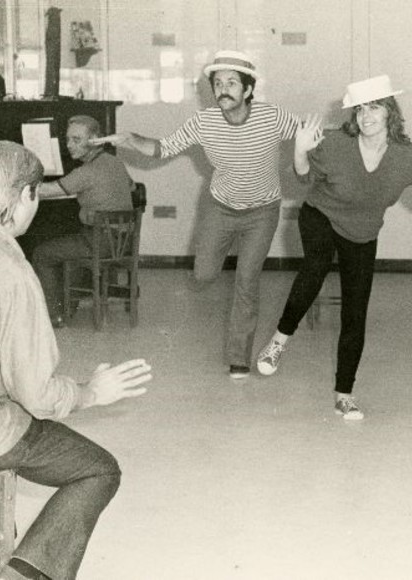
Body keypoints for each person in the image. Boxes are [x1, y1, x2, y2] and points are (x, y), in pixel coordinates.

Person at [0, 141, 153, 580]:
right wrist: (90, 392)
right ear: (24, 197)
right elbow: (37, 395)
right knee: (97, 469)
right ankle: (20, 575)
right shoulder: (10, 269)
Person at [254, 75, 412, 420]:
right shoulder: (336, 143)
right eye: (359, 110)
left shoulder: (406, 155)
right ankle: (278, 342)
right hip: (320, 215)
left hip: (363, 231)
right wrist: (299, 150)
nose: (366, 117)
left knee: (355, 312)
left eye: (374, 108)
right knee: (316, 265)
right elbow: (304, 179)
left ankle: (344, 394)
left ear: (389, 113)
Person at [93, 50, 301, 380]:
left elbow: (307, 134)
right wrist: (130, 139)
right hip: (219, 207)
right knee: (203, 274)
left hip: (262, 211)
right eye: (218, 83)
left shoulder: (272, 117)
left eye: (232, 83)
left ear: (248, 90)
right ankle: (210, 274)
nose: (224, 89)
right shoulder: (204, 122)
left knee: (247, 281)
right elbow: (163, 148)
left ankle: (238, 358)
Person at [31, 114, 135, 327]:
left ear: (95, 139)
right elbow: (131, 186)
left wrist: (15, 185)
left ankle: (54, 316)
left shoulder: (86, 171)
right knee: (71, 246)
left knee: (42, 254)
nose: (69, 145)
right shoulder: (116, 162)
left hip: (101, 241)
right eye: (67, 139)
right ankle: (67, 306)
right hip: (123, 240)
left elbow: (47, 191)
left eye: (76, 139)